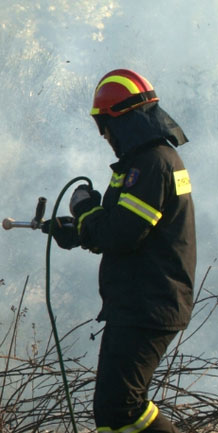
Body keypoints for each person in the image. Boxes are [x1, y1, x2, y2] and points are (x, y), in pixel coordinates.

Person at [44, 69, 196, 432]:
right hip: (140, 302)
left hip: (148, 304)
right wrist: (78, 230)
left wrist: (84, 212)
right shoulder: (145, 163)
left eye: (105, 125)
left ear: (124, 119)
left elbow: (121, 235)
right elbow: (120, 226)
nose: (104, 136)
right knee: (114, 413)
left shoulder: (152, 164)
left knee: (122, 410)